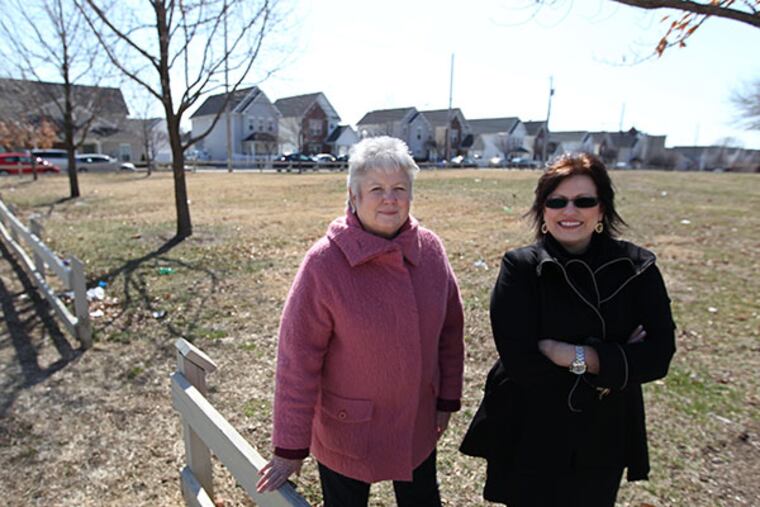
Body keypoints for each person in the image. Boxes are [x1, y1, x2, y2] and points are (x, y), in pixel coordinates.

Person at [256, 136, 465, 507]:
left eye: (400, 188)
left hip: (416, 422)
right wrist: (290, 447)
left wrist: (446, 400)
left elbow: (450, 331)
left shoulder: (430, 250)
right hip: (347, 429)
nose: (390, 198)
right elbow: (297, 359)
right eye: (377, 189)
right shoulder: (325, 262)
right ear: (353, 197)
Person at [460, 152, 676, 506]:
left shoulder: (637, 268)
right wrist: (615, 362)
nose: (569, 211)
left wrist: (576, 356)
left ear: (602, 209)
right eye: (556, 201)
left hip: (603, 436)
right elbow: (521, 361)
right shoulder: (521, 268)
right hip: (532, 429)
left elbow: (658, 357)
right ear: (543, 211)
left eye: (584, 201)